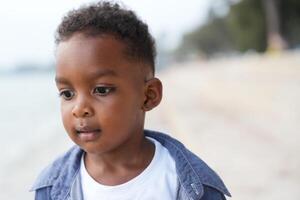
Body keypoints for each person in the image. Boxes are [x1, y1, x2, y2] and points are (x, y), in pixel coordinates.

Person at [30, 1, 231, 199]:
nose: (79, 109)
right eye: (67, 94)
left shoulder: (191, 185)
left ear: (149, 95)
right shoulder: (50, 188)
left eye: (101, 90)